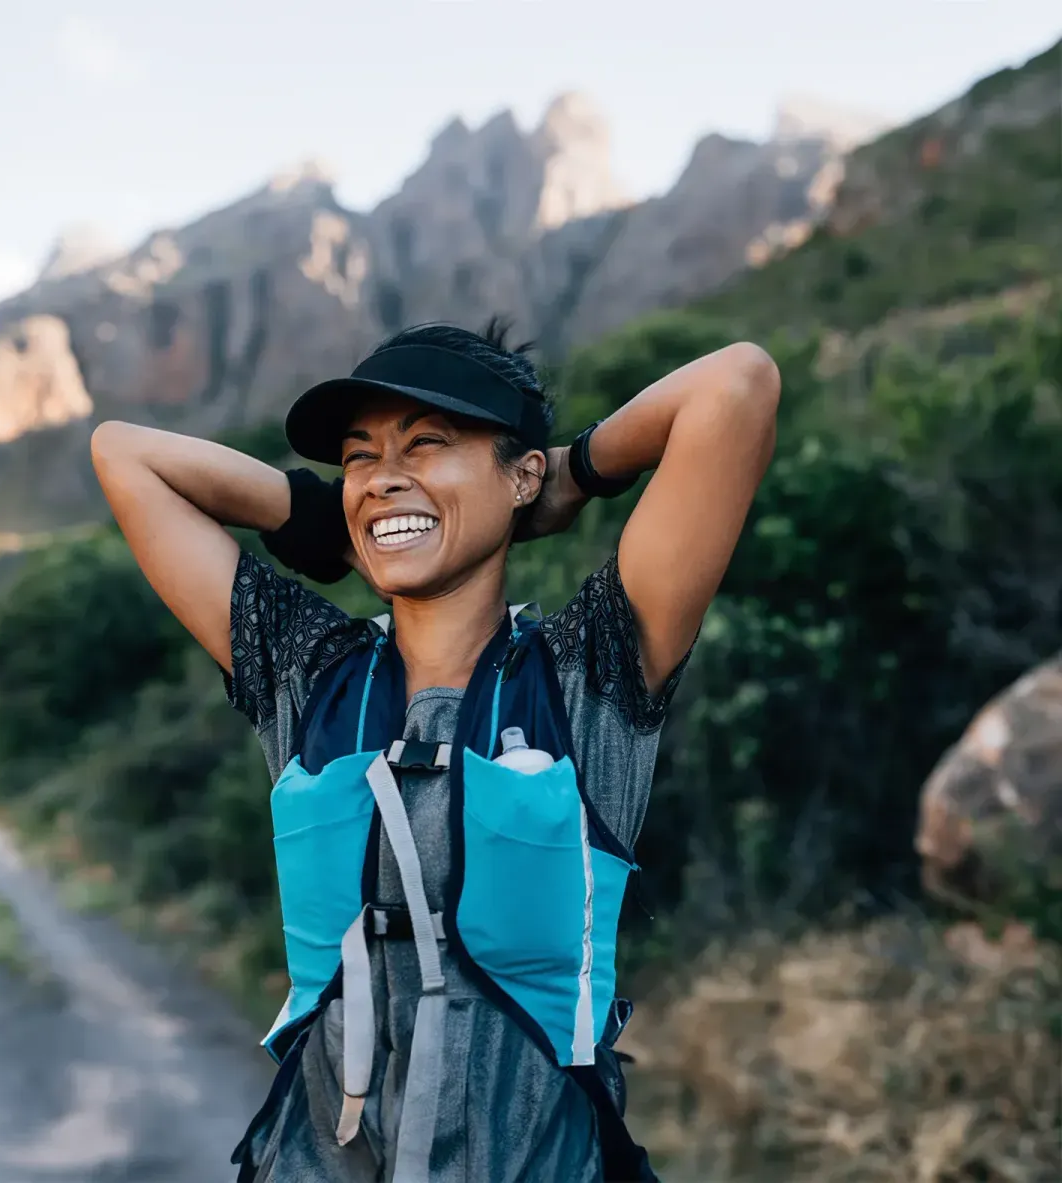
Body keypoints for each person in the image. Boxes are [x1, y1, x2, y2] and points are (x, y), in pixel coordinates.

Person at [89, 320, 779, 1183]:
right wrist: (333, 515)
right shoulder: (308, 674)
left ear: (519, 473)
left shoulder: (585, 676)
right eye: (359, 456)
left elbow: (737, 386)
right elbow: (124, 453)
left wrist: (572, 471)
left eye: (428, 444)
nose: (383, 474)